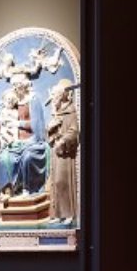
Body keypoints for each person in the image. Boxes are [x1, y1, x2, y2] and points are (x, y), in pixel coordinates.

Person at [44, 79, 80, 224]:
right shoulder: (56, 112)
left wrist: (63, 140)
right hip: (55, 151)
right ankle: (58, 214)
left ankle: (69, 213)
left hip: (65, 153)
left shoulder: (70, 111)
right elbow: (49, 132)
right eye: (53, 96)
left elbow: (74, 131)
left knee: (62, 181)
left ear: (62, 96)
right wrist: (50, 128)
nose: (53, 99)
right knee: (55, 182)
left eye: (55, 96)